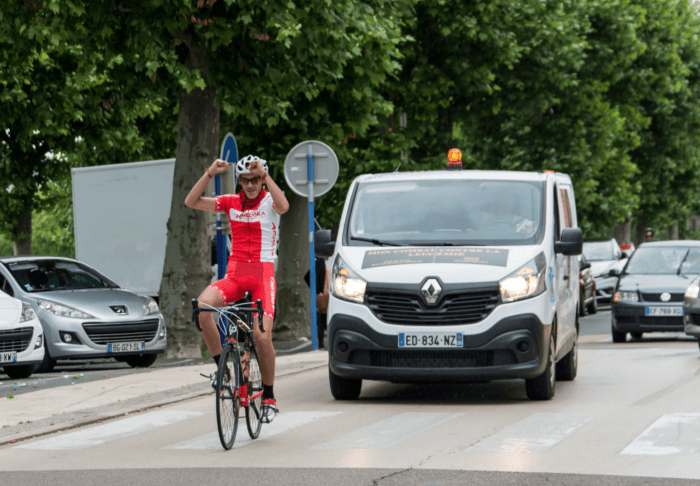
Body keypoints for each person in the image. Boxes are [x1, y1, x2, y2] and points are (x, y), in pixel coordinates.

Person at [184, 155, 289, 423]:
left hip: (262, 276)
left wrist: (266, 176)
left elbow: (284, 205)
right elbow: (191, 201)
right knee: (203, 308)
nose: (251, 185)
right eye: (246, 180)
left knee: (262, 336)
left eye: (255, 180)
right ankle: (223, 370)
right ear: (239, 180)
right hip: (235, 274)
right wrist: (210, 173)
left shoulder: (269, 201)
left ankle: (269, 396)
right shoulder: (231, 202)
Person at [305, 256, 331, 348]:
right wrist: (317, 291)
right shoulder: (320, 261)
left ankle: (322, 344)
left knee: (323, 320)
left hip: (323, 294)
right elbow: (308, 276)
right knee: (323, 320)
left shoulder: (321, 261)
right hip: (323, 295)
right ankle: (321, 344)